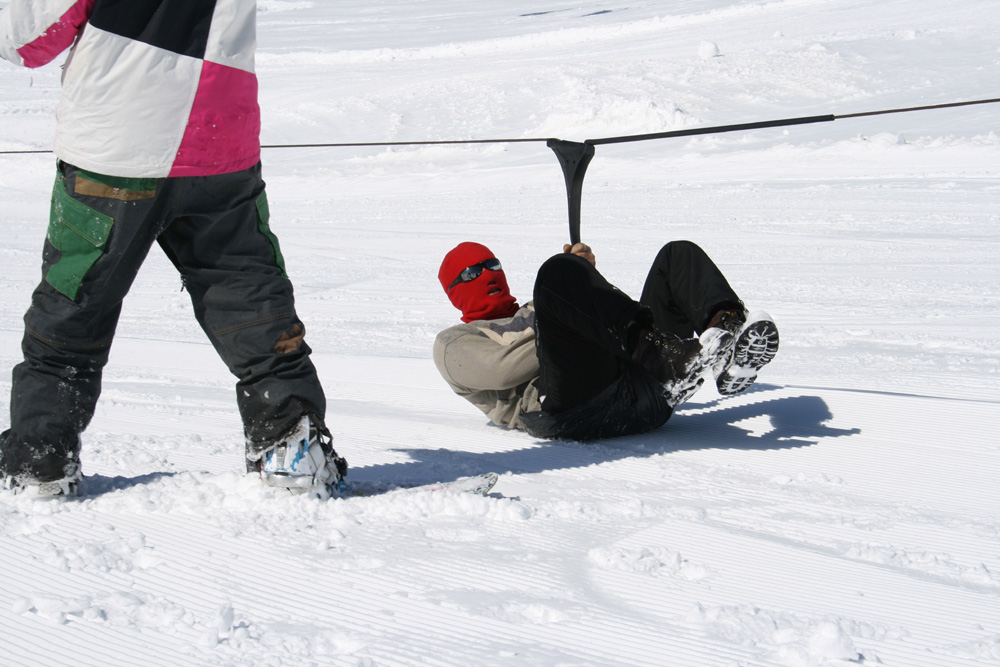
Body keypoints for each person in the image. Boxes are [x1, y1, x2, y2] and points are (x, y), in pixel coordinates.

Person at [0, 0, 346, 497]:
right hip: (220, 141)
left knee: (75, 303)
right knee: (248, 295)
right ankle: (290, 452)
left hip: (119, 148)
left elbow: (27, 40)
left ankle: (40, 461)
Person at [434, 240, 779, 441]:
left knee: (677, 255)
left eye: (491, 264)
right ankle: (672, 362)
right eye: (470, 273)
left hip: (639, 389)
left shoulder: (536, 306)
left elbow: (602, 325)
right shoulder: (453, 342)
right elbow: (502, 371)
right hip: (569, 411)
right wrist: (564, 296)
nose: (486, 274)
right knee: (555, 271)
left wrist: (582, 281)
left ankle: (727, 342)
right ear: (454, 291)